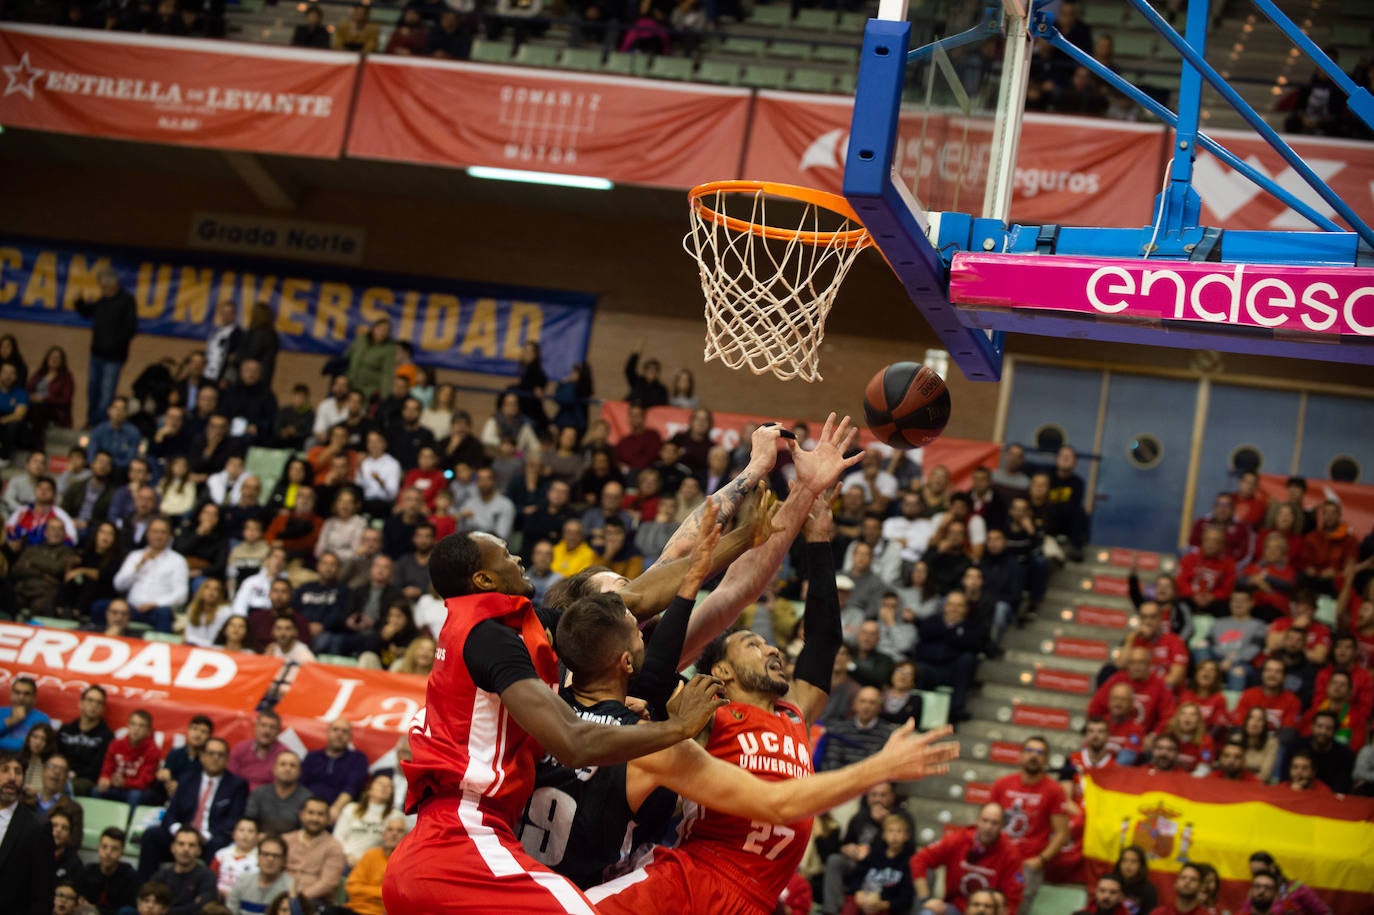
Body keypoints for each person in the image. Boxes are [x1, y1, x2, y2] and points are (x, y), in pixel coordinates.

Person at [381, 529, 727, 913]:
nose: (519, 559)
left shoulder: (513, 625)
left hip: (456, 838)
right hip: (463, 834)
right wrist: (679, 728)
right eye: (507, 555)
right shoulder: (490, 639)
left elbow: (637, 599)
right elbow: (574, 744)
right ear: (484, 580)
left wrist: (740, 540)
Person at [138, 737, 249, 880]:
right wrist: (178, 830)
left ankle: (205, 893)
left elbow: (233, 820)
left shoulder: (236, 785)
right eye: (211, 753)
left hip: (209, 840)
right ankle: (146, 890)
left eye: (220, 755)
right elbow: (171, 812)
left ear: (227, 759)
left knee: (219, 844)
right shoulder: (187, 779)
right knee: (151, 836)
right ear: (202, 757)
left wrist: (205, 836)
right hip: (182, 834)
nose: (215, 758)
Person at [988, 737, 1069, 915]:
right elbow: (988, 821)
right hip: (997, 858)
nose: (1034, 756)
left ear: (1046, 759)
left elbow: (1062, 833)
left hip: (1028, 865)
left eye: (1040, 753)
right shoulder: (1002, 784)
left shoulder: (1054, 790)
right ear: (1020, 755)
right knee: (985, 906)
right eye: (1030, 751)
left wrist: (1041, 860)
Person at [910, 802, 1024, 915]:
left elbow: (1013, 898)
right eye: (985, 821)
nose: (988, 827)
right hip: (955, 908)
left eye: (995, 823)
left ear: (1002, 826)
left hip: (989, 911)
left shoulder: (1011, 853)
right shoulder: (959, 839)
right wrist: (926, 898)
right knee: (928, 912)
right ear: (978, 821)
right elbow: (919, 859)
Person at [76, 267, 138, 427]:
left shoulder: (126, 301)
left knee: (106, 392)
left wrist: (115, 343)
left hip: (114, 357)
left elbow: (131, 328)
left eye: (103, 285)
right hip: (96, 354)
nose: (101, 288)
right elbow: (87, 312)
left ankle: (100, 424)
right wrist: (79, 302)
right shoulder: (102, 301)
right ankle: (91, 421)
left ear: (112, 284)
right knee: (93, 390)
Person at [0, 751, 57, 913]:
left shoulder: (37, 827)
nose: (12, 778)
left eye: (18, 772)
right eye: (5, 770)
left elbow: (43, 895)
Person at [111, 517, 188, 632]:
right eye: (155, 531)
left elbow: (181, 595)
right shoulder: (135, 556)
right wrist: (138, 566)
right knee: (101, 607)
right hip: (131, 608)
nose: (158, 536)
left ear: (169, 536)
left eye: (163, 532)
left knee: (164, 613)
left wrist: (156, 604)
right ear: (147, 534)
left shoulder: (177, 560)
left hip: (158, 610)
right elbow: (118, 585)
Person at [283, 797, 347, 906]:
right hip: (279, 896)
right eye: (311, 813)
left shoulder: (334, 847)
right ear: (302, 815)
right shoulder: (286, 840)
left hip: (314, 902)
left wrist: (296, 898)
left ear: (328, 819)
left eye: (320, 814)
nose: (315, 818)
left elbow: (328, 883)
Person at [340, 813, 406, 915]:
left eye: (399, 831)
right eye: (390, 829)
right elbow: (352, 887)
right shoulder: (370, 855)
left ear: (406, 836)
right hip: (354, 909)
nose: (394, 834)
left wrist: (366, 892)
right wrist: (380, 894)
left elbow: (398, 897)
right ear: (383, 834)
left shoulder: (407, 862)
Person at [94, 709, 160, 807]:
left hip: (138, 790)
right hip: (115, 786)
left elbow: (144, 782)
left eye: (141, 726)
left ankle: (129, 822)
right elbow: (106, 769)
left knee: (134, 795)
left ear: (148, 731)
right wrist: (105, 778)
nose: (136, 729)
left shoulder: (153, 750)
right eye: (133, 724)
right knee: (97, 790)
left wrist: (125, 783)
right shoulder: (115, 744)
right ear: (128, 726)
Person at [149, 828, 217, 915]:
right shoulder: (161, 875)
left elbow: (202, 908)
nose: (186, 849)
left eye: (191, 845)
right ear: (173, 847)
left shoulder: (207, 877)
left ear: (199, 850)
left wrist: (165, 912)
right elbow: (147, 902)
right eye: (181, 844)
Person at [332, 774, 394, 867]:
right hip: (347, 860)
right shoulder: (351, 808)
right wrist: (348, 855)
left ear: (392, 794)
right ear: (369, 789)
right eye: (380, 783)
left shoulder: (396, 816)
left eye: (389, 786)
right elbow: (338, 837)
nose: (384, 787)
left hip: (377, 865)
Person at [245, 750, 312, 836]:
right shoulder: (259, 793)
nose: (287, 769)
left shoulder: (307, 798)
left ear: (299, 772)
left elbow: (306, 831)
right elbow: (249, 821)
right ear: (274, 769)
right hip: (259, 841)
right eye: (283, 764)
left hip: (293, 845)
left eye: (293, 766)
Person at [75, 827, 139, 915]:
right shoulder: (88, 871)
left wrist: (95, 910)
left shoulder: (130, 877)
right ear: (98, 848)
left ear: (122, 852)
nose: (108, 852)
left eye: (114, 849)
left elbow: (128, 910)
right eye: (104, 847)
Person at [226, 833, 292, 915]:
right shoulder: (242, 881)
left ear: (284, 860)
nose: (270, 859)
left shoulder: (290, 888)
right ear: (258, 857)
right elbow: (231, 912)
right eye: (265, 854)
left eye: (276, 856)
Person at [229, 713, 289, 795]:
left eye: (272, 727)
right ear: (255, 727)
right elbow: (230, 778)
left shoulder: (284, 754)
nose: (267, 731)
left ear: (279, 731)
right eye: (263, 725)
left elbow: (281, 786)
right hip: (239, 796)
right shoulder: (240, 748)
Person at [212, 818, 260, 903]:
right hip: (217, 898)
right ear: (234, 834)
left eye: (250, 831)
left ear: (257, 836)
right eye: (241, 830)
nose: (245, 835)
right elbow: (210, 878)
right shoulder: (221, 854)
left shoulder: (259, 859)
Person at [0, 676, 52, 753]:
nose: (21, 697)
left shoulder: (42, 719)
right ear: (11, 694)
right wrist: (11, 720)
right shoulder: (1, 712)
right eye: (17, 692)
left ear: (34, 698)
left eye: (26, 694)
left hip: (24, 760)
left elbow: (36, 747)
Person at [1110, 845, 1158, 915]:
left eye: (1133, 861)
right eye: (1124, 860)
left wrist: (1123, 901)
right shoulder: (1111, 883)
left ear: (1141, 865)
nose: (1128, 864)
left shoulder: (1148, 889)